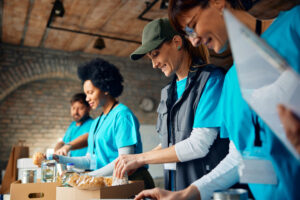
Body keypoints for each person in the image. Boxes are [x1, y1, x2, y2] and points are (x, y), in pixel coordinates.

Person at [134, 0, 300, 199]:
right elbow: (238, 157)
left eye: (193, 26)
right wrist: (187, 194)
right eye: (189, 33)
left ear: (218, 3)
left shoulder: (295, 26)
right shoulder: (231, 82)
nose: (194, 41)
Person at [114, 18, 229, 191]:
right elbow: (168, 143)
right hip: (173, 188)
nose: (154, 64)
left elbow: (199, 145)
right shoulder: (167, 92)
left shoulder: (211, 79)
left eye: (155, 54)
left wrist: (141, 159)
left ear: (176, 42)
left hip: (203, 190)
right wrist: (135, 160)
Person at [54, 58, 154, 189]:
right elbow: (90, 161)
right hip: (111, 182)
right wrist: (60, 159)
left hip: (132, 182)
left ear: (105, 88)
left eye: (90, 92)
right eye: (86, 94)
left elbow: (124, 162)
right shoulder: (97, 122)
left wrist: (88, 177)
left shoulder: (122, 115)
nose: (87, 98)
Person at [54, 93, 93, 157]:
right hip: (71, 165)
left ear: (88, 108)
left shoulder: (93, 124)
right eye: (73, 108)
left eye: (80, 108)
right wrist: (56, 152)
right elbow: (63, 142)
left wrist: (67, 147)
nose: (76, 112)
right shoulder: (72, 125)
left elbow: (88, 137)